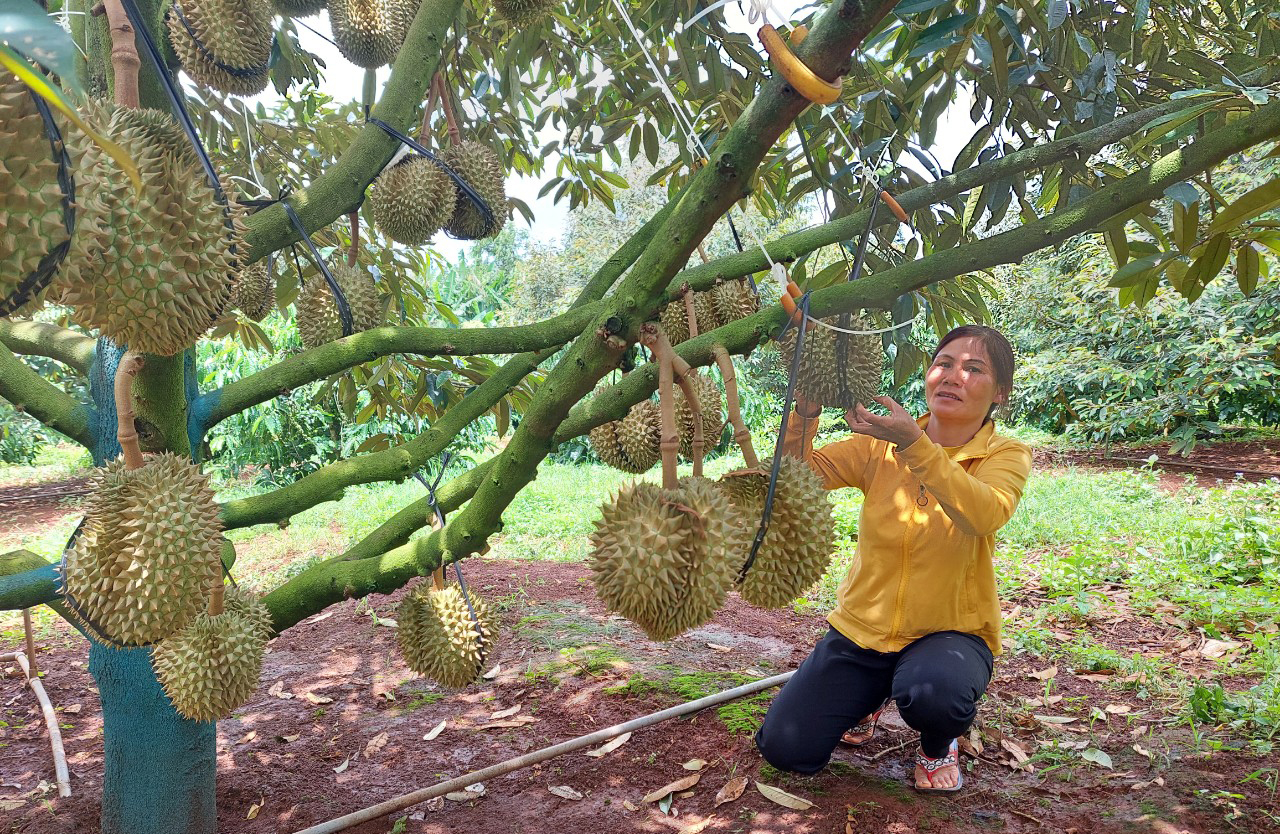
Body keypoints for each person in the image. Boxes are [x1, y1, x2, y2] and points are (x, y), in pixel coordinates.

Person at [754, 325, 1033, 793]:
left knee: (934, 697)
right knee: (786, 748)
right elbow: (791, 476)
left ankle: (937, 744)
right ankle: (866, 697)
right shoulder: (877, 446)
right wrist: (804, 411)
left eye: (973, 368)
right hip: (863, 629)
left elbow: (983, 514)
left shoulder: (1006, 454)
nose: (952, 376)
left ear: (1000, 393)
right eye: (944, 363)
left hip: (950, 633)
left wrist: (914, 445)